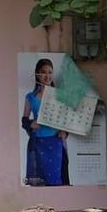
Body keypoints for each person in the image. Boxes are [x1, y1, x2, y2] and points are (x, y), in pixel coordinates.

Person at [23, 57, 68, 186]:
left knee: (56, 180)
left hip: (55, 143)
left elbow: (66, 119)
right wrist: (31, 124)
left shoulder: (60, 96)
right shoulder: (30, 97)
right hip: (37, 143)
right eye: (43, 72)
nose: (47, 76)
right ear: (37, 74)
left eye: (50, 72)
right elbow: (24, 120)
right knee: (39, 181)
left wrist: (64, 132)